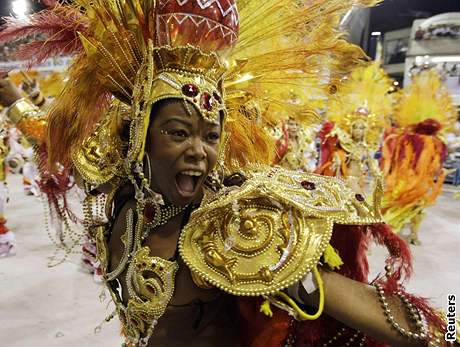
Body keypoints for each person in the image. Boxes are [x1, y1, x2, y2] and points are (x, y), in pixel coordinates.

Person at [0, 1, 453, 346]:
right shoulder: (115, 183)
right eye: (179, 132)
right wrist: (9, 95)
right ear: (141, 133)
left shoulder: (233, 228)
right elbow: (49, 137)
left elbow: (366, 306)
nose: (199, 151)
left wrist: (452, 321)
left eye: (210, 136)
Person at [381, 70, 457, 245]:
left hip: (422, 180)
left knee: (418, 207)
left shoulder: (435, 142)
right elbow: (398, 158)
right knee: (402, 202)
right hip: (407, 178)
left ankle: (412, 233)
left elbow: (436, 162)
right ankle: (396, 229)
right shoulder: (410, 139)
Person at [316, 62, 395, 193]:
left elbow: (371, 164)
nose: (359, 131)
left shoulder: (366, 147)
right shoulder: (346, 144)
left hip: (361, 180)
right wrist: (337, 158)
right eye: (356, 127)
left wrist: (377, 173)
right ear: (351, 128)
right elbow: (338, 156)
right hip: (348, 180)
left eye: (362, 128)